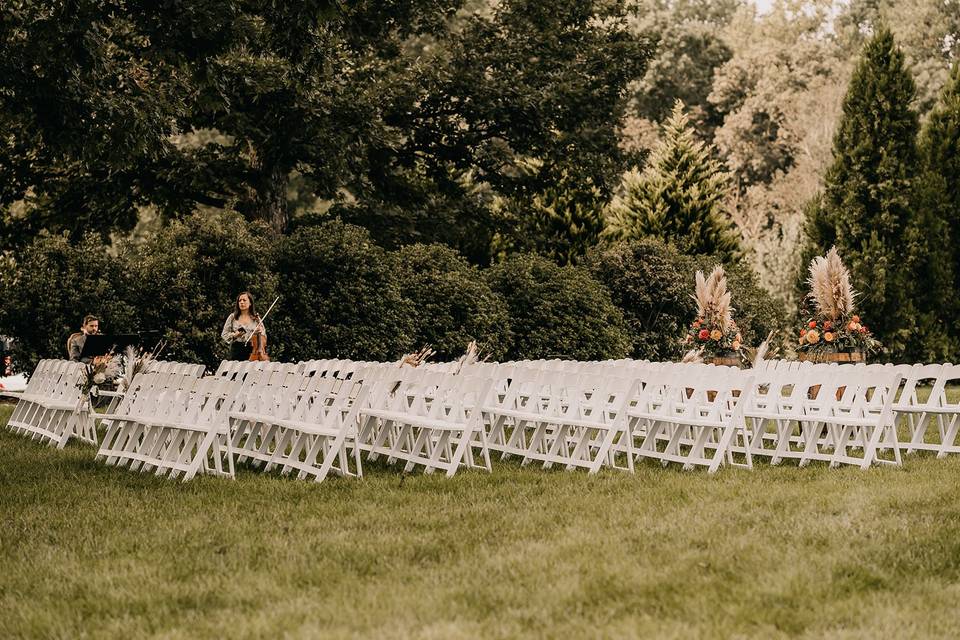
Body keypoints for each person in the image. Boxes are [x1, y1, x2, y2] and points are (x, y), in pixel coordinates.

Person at [221, 292, 265, 361]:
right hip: (236, 351)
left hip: (252, 351)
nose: (241, 302)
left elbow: (263, 336)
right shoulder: (232, 317)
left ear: (250, 303)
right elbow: (224, 334)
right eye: (240, 300)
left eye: (244, 300)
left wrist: (257, 333)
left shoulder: (256, 319)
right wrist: (234, 335)